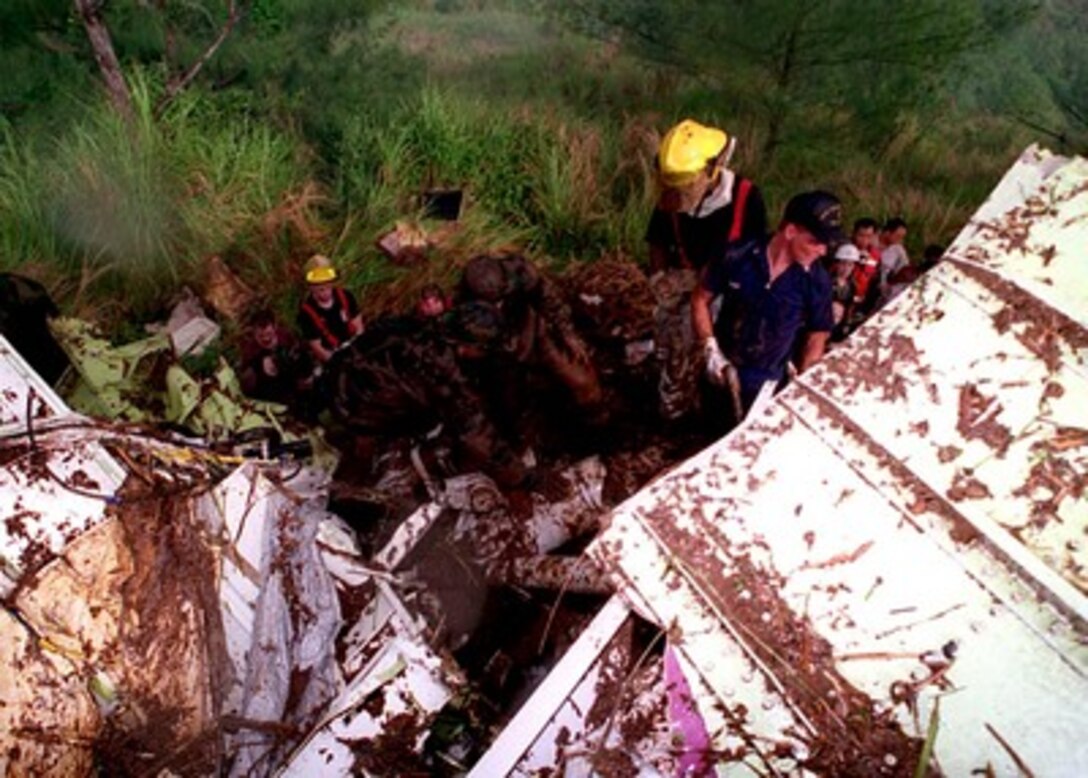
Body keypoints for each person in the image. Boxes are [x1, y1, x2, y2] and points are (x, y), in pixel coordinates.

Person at [323, 302, 533, 493]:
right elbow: (475, 433)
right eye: (483, 350)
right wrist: (522, 477)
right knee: (442, 425)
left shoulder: (424, 325)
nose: (485, 355)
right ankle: (390, 466)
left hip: (337, 375)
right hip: (352, 403)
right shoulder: (441, 367)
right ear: (465, 347)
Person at [692, 190, 840, 419]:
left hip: (768, 386)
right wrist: (709, 348)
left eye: (826, 244)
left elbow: (817, 335)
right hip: (722, 371)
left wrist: (804, 382)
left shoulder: (817, 281)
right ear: (790, 231)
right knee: (708, 434)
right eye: (815, 242)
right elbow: (701, 298)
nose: (822, 251)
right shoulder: (737, 255)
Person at [458, 253, 602, 413]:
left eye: (498, 299)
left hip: (533, 329)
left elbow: (550, 301)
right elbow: (468, 339)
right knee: (509, 406)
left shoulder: (522, 273)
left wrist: (568, 334)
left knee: (583, 383)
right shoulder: (464, 301)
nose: (497, 306)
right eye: (490, 302)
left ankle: (596, 414)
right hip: (499, 352)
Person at [645, 119, 768, 273]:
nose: (678, 195)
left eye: (687, 186)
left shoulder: (747, 198)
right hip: (677, 283)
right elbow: (658, 242)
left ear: (711, 170)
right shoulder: (670, 196)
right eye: (672, 186)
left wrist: (703, 282)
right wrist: (659, 278)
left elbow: (754, 259)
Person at [296, 254, 364, 364]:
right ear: (311, 287)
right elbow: (317, 348)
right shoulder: (306, 313)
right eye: (320, 289)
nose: (325, 293)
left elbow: (359, 327)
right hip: (332, 356)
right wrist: (338, 363)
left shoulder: (346, 296)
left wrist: (359, 351)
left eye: (328, 287)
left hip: (355, 348)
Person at [238, 308, 311, 409]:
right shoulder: (251, 351)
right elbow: (246, 380)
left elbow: (301, 351)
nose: (266, 339)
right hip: (270, 390)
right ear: (254, 333)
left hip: (293, 378)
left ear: (274, 327)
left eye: (269, 334)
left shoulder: (285, 336)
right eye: (260, 336)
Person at [848, 217, 881, 317]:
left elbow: (875, 280)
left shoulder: (876, 256)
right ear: (854, 234)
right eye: (861, 235)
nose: (864, 240)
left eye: (869, 236)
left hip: (861, 302)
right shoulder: (845, 249)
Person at [827, 243, 861, 341]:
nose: (846, 269)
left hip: (838, 328)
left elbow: (849, 308)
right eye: (843, 263)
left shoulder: (852, 286)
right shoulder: (826, 282)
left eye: (850, 265)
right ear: (837, 264)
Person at [877, 217, 909, 306]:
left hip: (883, 290)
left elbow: (904, 271)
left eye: (902, 237)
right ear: (887, 233)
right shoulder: (871, 241)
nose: (900, 240)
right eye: (898, 236)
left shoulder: (898, 250)